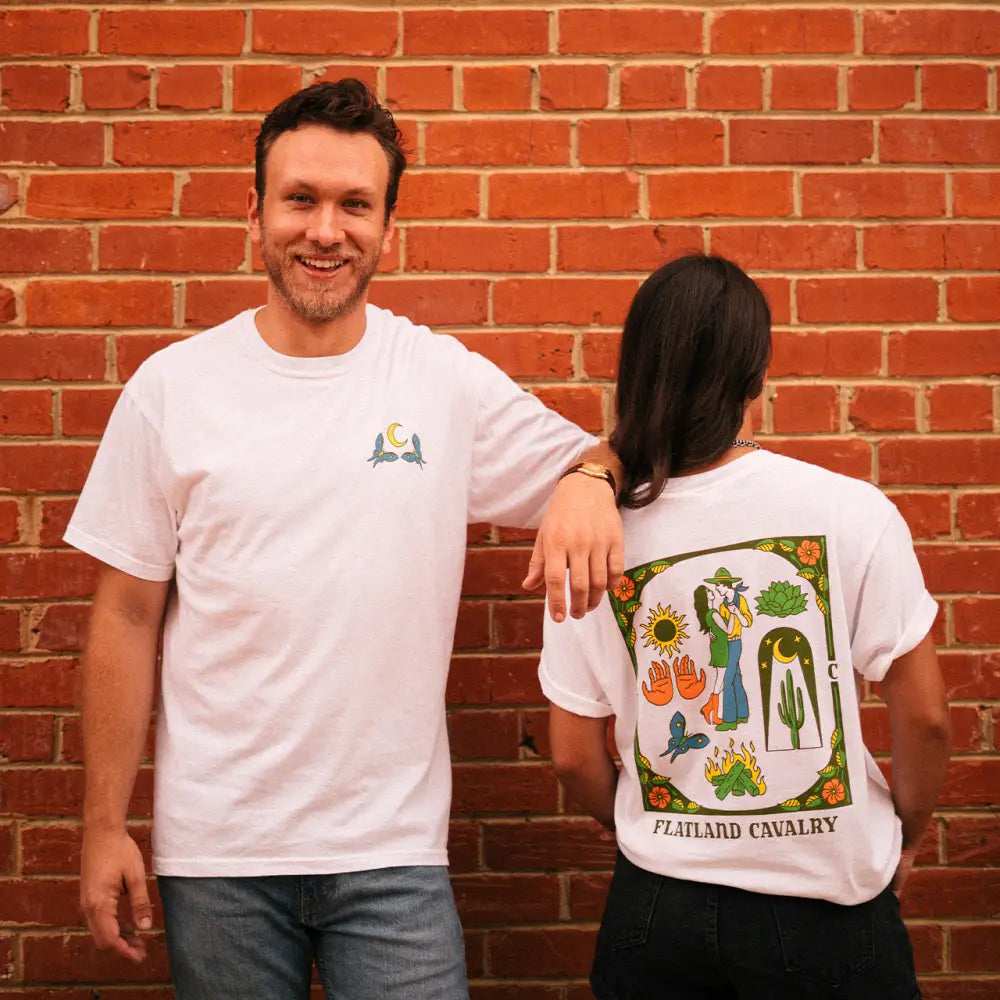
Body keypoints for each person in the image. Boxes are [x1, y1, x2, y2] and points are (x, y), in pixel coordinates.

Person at [69, 79, 623, 1000]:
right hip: (220, 856)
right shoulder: (173, 389)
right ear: (254, 212)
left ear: (387, 227)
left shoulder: (441, 381)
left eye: (355, 205)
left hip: (392, 857)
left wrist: (592, 477)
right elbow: (125, 617)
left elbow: (607, 460)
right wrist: (102, 824)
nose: (327, 230)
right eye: (301, 200)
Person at [539, 254, 950, 999]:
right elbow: (924, 716)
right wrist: (911, 834)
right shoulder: (850, 512)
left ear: (635, 365)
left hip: (656, 905)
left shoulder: (587, 532)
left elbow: (572, 753)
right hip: (830, 909)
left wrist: (646, 825)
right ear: (756, 374)